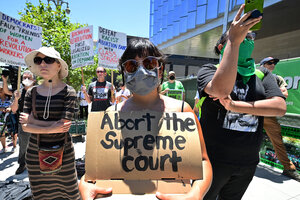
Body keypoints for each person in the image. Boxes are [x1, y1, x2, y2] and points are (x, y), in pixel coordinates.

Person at [79, 38, 212, 200]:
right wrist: (85, 183)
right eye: (132, 66)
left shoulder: (182, 111)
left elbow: (203, 161)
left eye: (149, 63)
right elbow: (95, 168)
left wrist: (196, 194)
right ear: (124, 73)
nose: (141, 71)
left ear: (160, 70)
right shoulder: (111, 113)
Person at [197, 5, 286, 200]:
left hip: (247, 162)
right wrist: (234, 42)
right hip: (211, 160)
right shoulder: (208, 70)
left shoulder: (262, 74)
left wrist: (235, 106)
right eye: (241, 36)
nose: (246, 40)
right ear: (222, 47)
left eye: (249, 37)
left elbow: (279, 107)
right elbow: (221, 90)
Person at [19, 47, 80, 199]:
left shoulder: (69, 91)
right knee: (40, 194)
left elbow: (63, 126)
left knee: (69, 192)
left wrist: (34, 121)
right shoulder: (30, 92)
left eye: (48, 60)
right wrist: (51, 127)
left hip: (63, 152)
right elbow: (24, 127)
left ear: (59, 65)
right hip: (34, 153)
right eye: (38, 60)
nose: (43, 64)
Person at [260, 57, 300, 182]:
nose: (273, 65)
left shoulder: (277, 78)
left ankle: (289, 168)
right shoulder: (255, 75)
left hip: (267, 115)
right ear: (262, 65)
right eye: (269, 63)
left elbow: (284, 94)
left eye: (274, 63)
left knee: (278, 142)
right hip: (252, 113)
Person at [9, 70, 36, 174]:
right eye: (24, 78)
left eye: (29, 78)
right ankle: (22, 163)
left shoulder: (39, 91)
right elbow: (14, 110)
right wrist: (16, 99)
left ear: (34, 80)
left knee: (39, 143)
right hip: (23, 123)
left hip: (37, 122)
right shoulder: (18, 92)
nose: (26, 80)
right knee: (23, 144)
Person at [0, 84, 15, 153]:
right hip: (1, 119)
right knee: (1, 133)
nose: (0, 91)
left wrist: (10, 108)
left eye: (1, 89)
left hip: (10, 117)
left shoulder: (10, 98)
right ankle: (4, 147)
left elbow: (14, 105)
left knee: (13, 132)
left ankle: (14, 146)